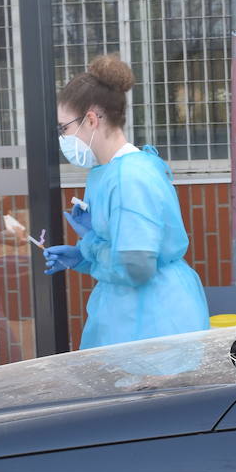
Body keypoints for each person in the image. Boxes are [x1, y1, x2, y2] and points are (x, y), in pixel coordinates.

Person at [41, 54, 209, 348]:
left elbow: (136, 266)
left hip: (155, 320)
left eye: (64, 128)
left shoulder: (131, 176)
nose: (62, 138)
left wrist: (90, 253)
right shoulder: (105, 172)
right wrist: (86, 253)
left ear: (91, 120)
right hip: (130, 315)